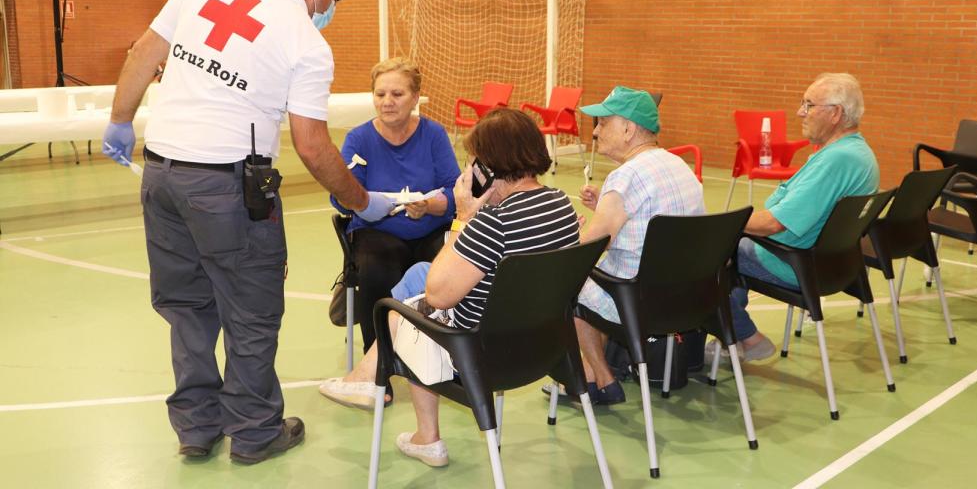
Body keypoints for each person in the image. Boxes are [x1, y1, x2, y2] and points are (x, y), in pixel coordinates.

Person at [101, 0, 394, 465]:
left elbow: (143, 54)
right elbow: (311, 145)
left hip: (162, 177)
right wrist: (362, 200)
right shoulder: (305, 40)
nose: (331, 10)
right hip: (228, 189)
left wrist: (120, 119)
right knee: (252, 312)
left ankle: (197, 427)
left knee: (187, 309)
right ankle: (256, 432)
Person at [320, 108, 581, 467]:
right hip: (542, 347)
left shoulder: (493, 222)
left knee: (405, 310)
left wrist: (463, 218)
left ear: (488, 167)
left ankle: (386, 393)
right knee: (419, 274)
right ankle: (378, 388)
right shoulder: (561, 204)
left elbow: (439, 294)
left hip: (479, 354)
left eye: (473, 161)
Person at [705, 72, 879, 365]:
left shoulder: (837, 160)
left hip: (796, 264)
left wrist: (716, 226)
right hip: (834, 264)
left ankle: (745, 337)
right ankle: (729, 342)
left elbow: (774, 223)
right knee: (731, 247)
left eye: (809, 105)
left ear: (835, 113)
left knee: (706, 256)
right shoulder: (857, 152)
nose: (800, 112)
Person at [569, 86, 705, 405]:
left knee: (568, 285)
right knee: (598, 278)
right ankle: (594, 372)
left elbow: (587, 249)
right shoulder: (680, 167)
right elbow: (655, 225)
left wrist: (567, 235)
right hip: (685, 298)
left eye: (604, 123)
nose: (596, 131)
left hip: (637, 300)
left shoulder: (626, 177)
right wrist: (605, 206)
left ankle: (600, 377)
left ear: (628, 129)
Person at [328, 57, 460, 353]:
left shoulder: (434, 135)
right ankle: (379, 358)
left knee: (455, 268)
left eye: (397, 94)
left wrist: (430, 205)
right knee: (376, 269)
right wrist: (362, 201)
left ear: (415, 98)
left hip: (430, 231)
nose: (387, 102)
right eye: (380, 94)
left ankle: (444, 355)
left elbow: (456, 191)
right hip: (376, 232)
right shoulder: (358, 139)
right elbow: (340, 198)